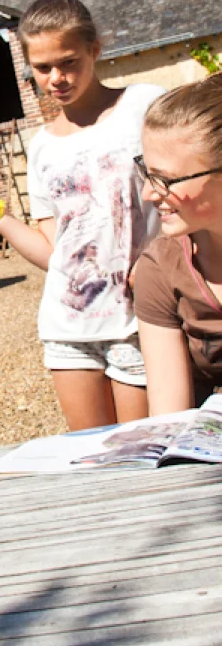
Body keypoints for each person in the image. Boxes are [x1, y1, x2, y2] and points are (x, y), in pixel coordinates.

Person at [0, 0, 164, 430]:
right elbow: (54, 253)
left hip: (139, 322)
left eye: (68, 62)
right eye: (42, 68)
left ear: (95, 50)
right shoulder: (41, 147)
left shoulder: (146, 106)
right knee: (87, 461)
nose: (56, 78)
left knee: (142, 461)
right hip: (68, 330)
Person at [133, 73, 222, 413]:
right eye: (147, 172)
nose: (148, 193)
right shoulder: (160, 269)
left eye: (166, 180)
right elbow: (168, 418)